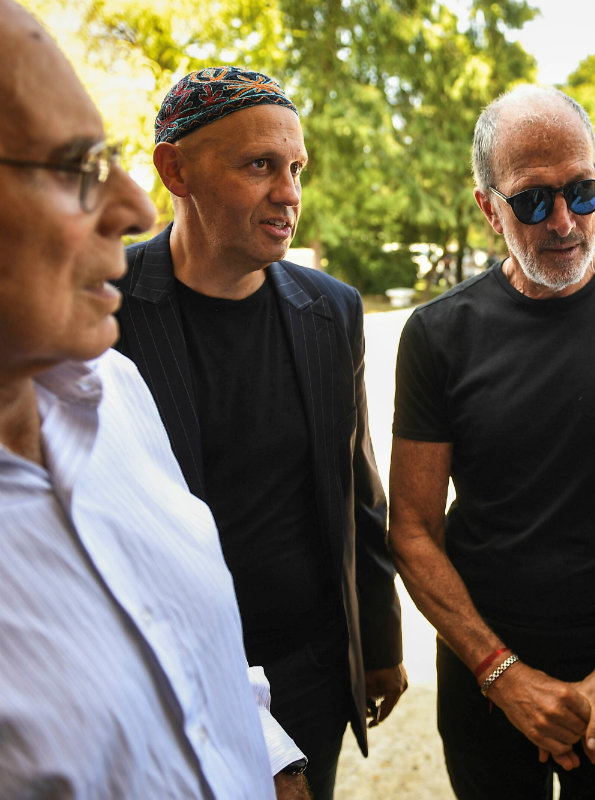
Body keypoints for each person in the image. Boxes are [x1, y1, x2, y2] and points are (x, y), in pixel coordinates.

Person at [0, 3, 308, 795]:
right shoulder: (120, 323)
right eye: (74, 169)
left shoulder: (109, 393)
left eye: (295, 168)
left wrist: (270, 756)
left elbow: (183, 640)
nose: (130, 208)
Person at [388, 84, 595, 798]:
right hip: (486, 676)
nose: (563, 221)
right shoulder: (438, 336)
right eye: (532, 200)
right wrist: (503, 676)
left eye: (583, 192)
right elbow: (413, 530)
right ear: (487, 206)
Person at [114, 66, 404, 800]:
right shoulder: (102, 310)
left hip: (309, 671)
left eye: (296, 168)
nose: (290, 194)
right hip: (164, 672)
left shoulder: (330, 308)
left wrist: (377, 641)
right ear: (175, 169)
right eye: (259, 166)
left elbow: (356, 485)